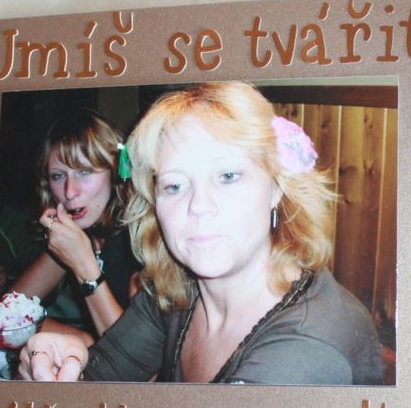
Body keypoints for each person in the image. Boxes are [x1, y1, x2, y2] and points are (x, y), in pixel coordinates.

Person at [20, 82, 383, 385]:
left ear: (276, 188)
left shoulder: (308, 350)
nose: (199, 206)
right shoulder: (176, 290)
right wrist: (67, 365)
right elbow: (102, 378)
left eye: (228, 176)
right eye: (174, 185)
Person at [10, 108, 139, 347]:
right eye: (58, 176)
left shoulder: (141, 241)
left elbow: (137, 361)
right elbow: (8, 317)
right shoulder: (77, 234)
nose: (69, 192)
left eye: (84, 172)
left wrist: (82, 263)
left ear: (114, 173)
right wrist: (82, 338)